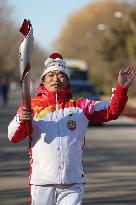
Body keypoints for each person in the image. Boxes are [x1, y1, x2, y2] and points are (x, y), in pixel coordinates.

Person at [8, 53, 136, 205]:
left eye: (61, 75)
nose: (56, 79)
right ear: (43, 80)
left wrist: (121, 89)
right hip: (42, 181)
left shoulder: (80, 106)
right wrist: (21, 120)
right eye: (51, 75)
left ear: (67, 81)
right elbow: (13, 136)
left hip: (72, 181)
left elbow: (111, 111)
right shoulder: (31, 106)